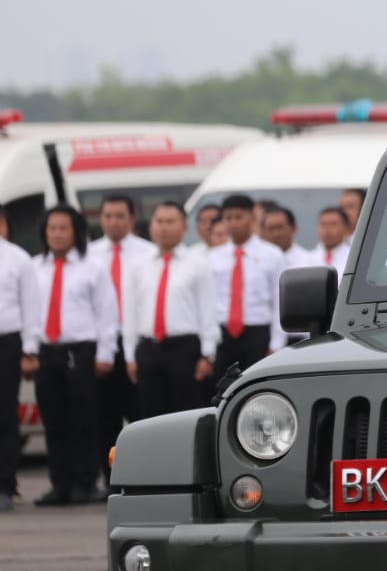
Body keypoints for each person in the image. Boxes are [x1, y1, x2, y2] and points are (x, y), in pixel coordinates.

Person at [30, 205, 116, 504]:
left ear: (76, 232)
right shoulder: (35, 267)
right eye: (51, 228)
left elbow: (107, 313)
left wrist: (106, 352)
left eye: (63, 228)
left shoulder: (92, 267)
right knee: (54, 421)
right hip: (46, 351)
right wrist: (29, 351)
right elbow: (30, 313)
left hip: (80, 350)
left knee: (83, 419)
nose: (56, 234)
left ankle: (85, 483)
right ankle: (60, 484)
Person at [87, 194, 157, 487]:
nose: (113, 221)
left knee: (139, 414)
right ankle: (111, 479)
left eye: (120, 216)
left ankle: (142, 478)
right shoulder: (89, 254)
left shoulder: (148, 254)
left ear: (131, 219)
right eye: (108, 216)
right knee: (105, 416)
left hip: (136, 342)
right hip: (102, 342)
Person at [122, 202, 216, 418]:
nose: (164, 227)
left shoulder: (198, 265)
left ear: (184, 227)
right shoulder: (139, 266)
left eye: (170, 222)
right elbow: (130, 314)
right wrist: (130, 356)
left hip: (184, 350)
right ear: (151, 227)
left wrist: (207, 355)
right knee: (150, 414)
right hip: (148, 349)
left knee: (185, 414)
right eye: (159, 222)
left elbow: (208, 312)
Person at [207, 195, 285, 380]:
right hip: (223, 334)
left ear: (252, 217)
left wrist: (276, 344)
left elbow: (279, 300)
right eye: (228, 218)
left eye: (239, 217)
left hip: (257, 332)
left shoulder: (272, 255)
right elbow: (208, 302)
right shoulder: (213, 257)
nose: (233, 223)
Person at [0, 203, 39, 512]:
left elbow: (30, 307)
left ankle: (5, 485)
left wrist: (29, 350)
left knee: (4, 416)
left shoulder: (17, 258)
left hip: (7, 343)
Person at [261, 204, 315, 269]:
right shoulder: (257, 261)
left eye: (279, 227)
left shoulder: (309, 263)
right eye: (270, 229)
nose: (275, 234)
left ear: (293, 228)